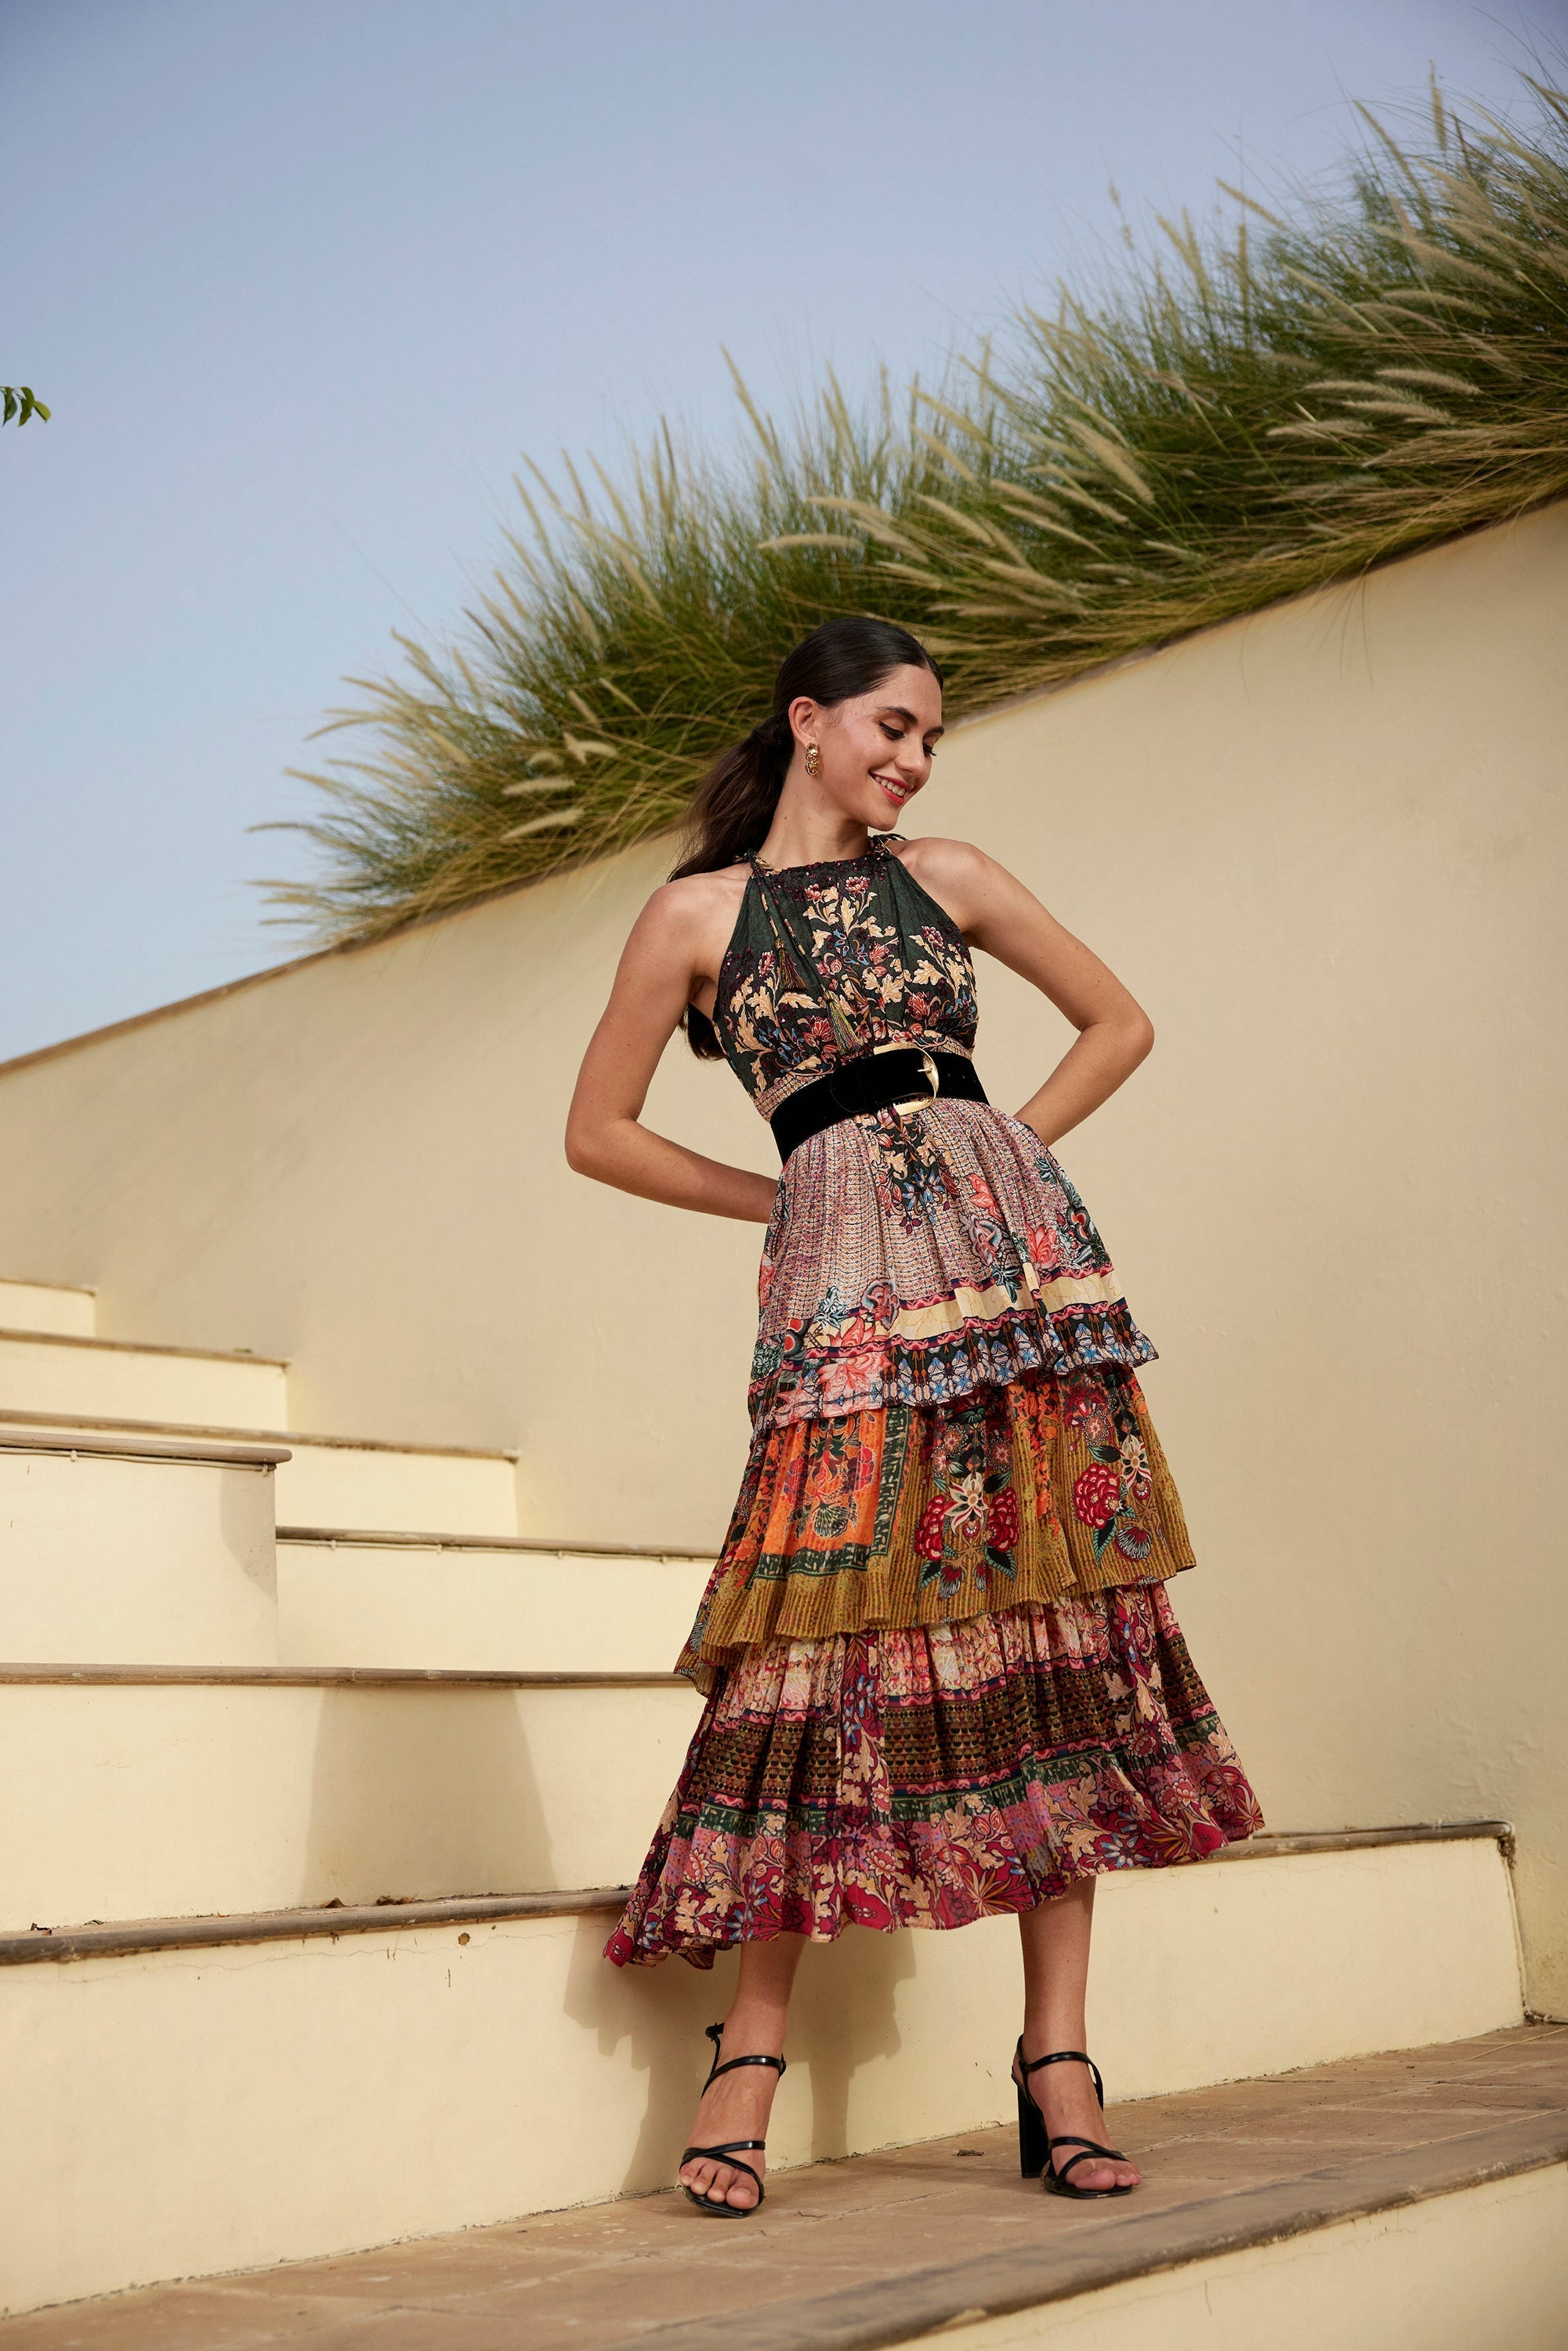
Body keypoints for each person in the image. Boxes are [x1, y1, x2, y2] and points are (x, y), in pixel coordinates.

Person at [565, 614, 1262, 2217]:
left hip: (1015, 1282)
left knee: (1056, 1615)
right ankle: (749, 2050)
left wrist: (996, 1153)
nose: (915, 759)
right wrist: (793, 1194)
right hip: (842, 1294)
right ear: (807, 721)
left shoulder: (948, 875)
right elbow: (597, 1131)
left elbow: (1119, 1021)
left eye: (932, 737)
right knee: (816, 1636)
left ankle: (1056, 2059)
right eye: (892, 726)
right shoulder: (692, 916)